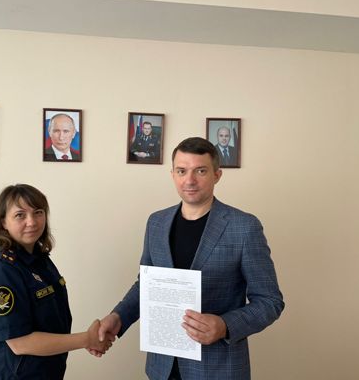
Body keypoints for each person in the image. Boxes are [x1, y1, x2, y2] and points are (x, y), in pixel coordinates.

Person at [95, 137, 284, 380]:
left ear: (217, 175)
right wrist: (118, 317)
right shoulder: (156, 223)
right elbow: (146, 284)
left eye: (200, 171)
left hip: (217, 370)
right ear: (172, 174)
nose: (190, 180)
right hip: (162, 368)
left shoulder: (244, 227)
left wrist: (225, 325)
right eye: (182, 171)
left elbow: (270, 301)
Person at [0, 184, 112, 380]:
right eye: (20, 215)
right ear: (3, 222)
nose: (32, 222)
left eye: (38, 212)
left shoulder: (39, 259)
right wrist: (87, 339)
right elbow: (20, 343)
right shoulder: (0, 270)